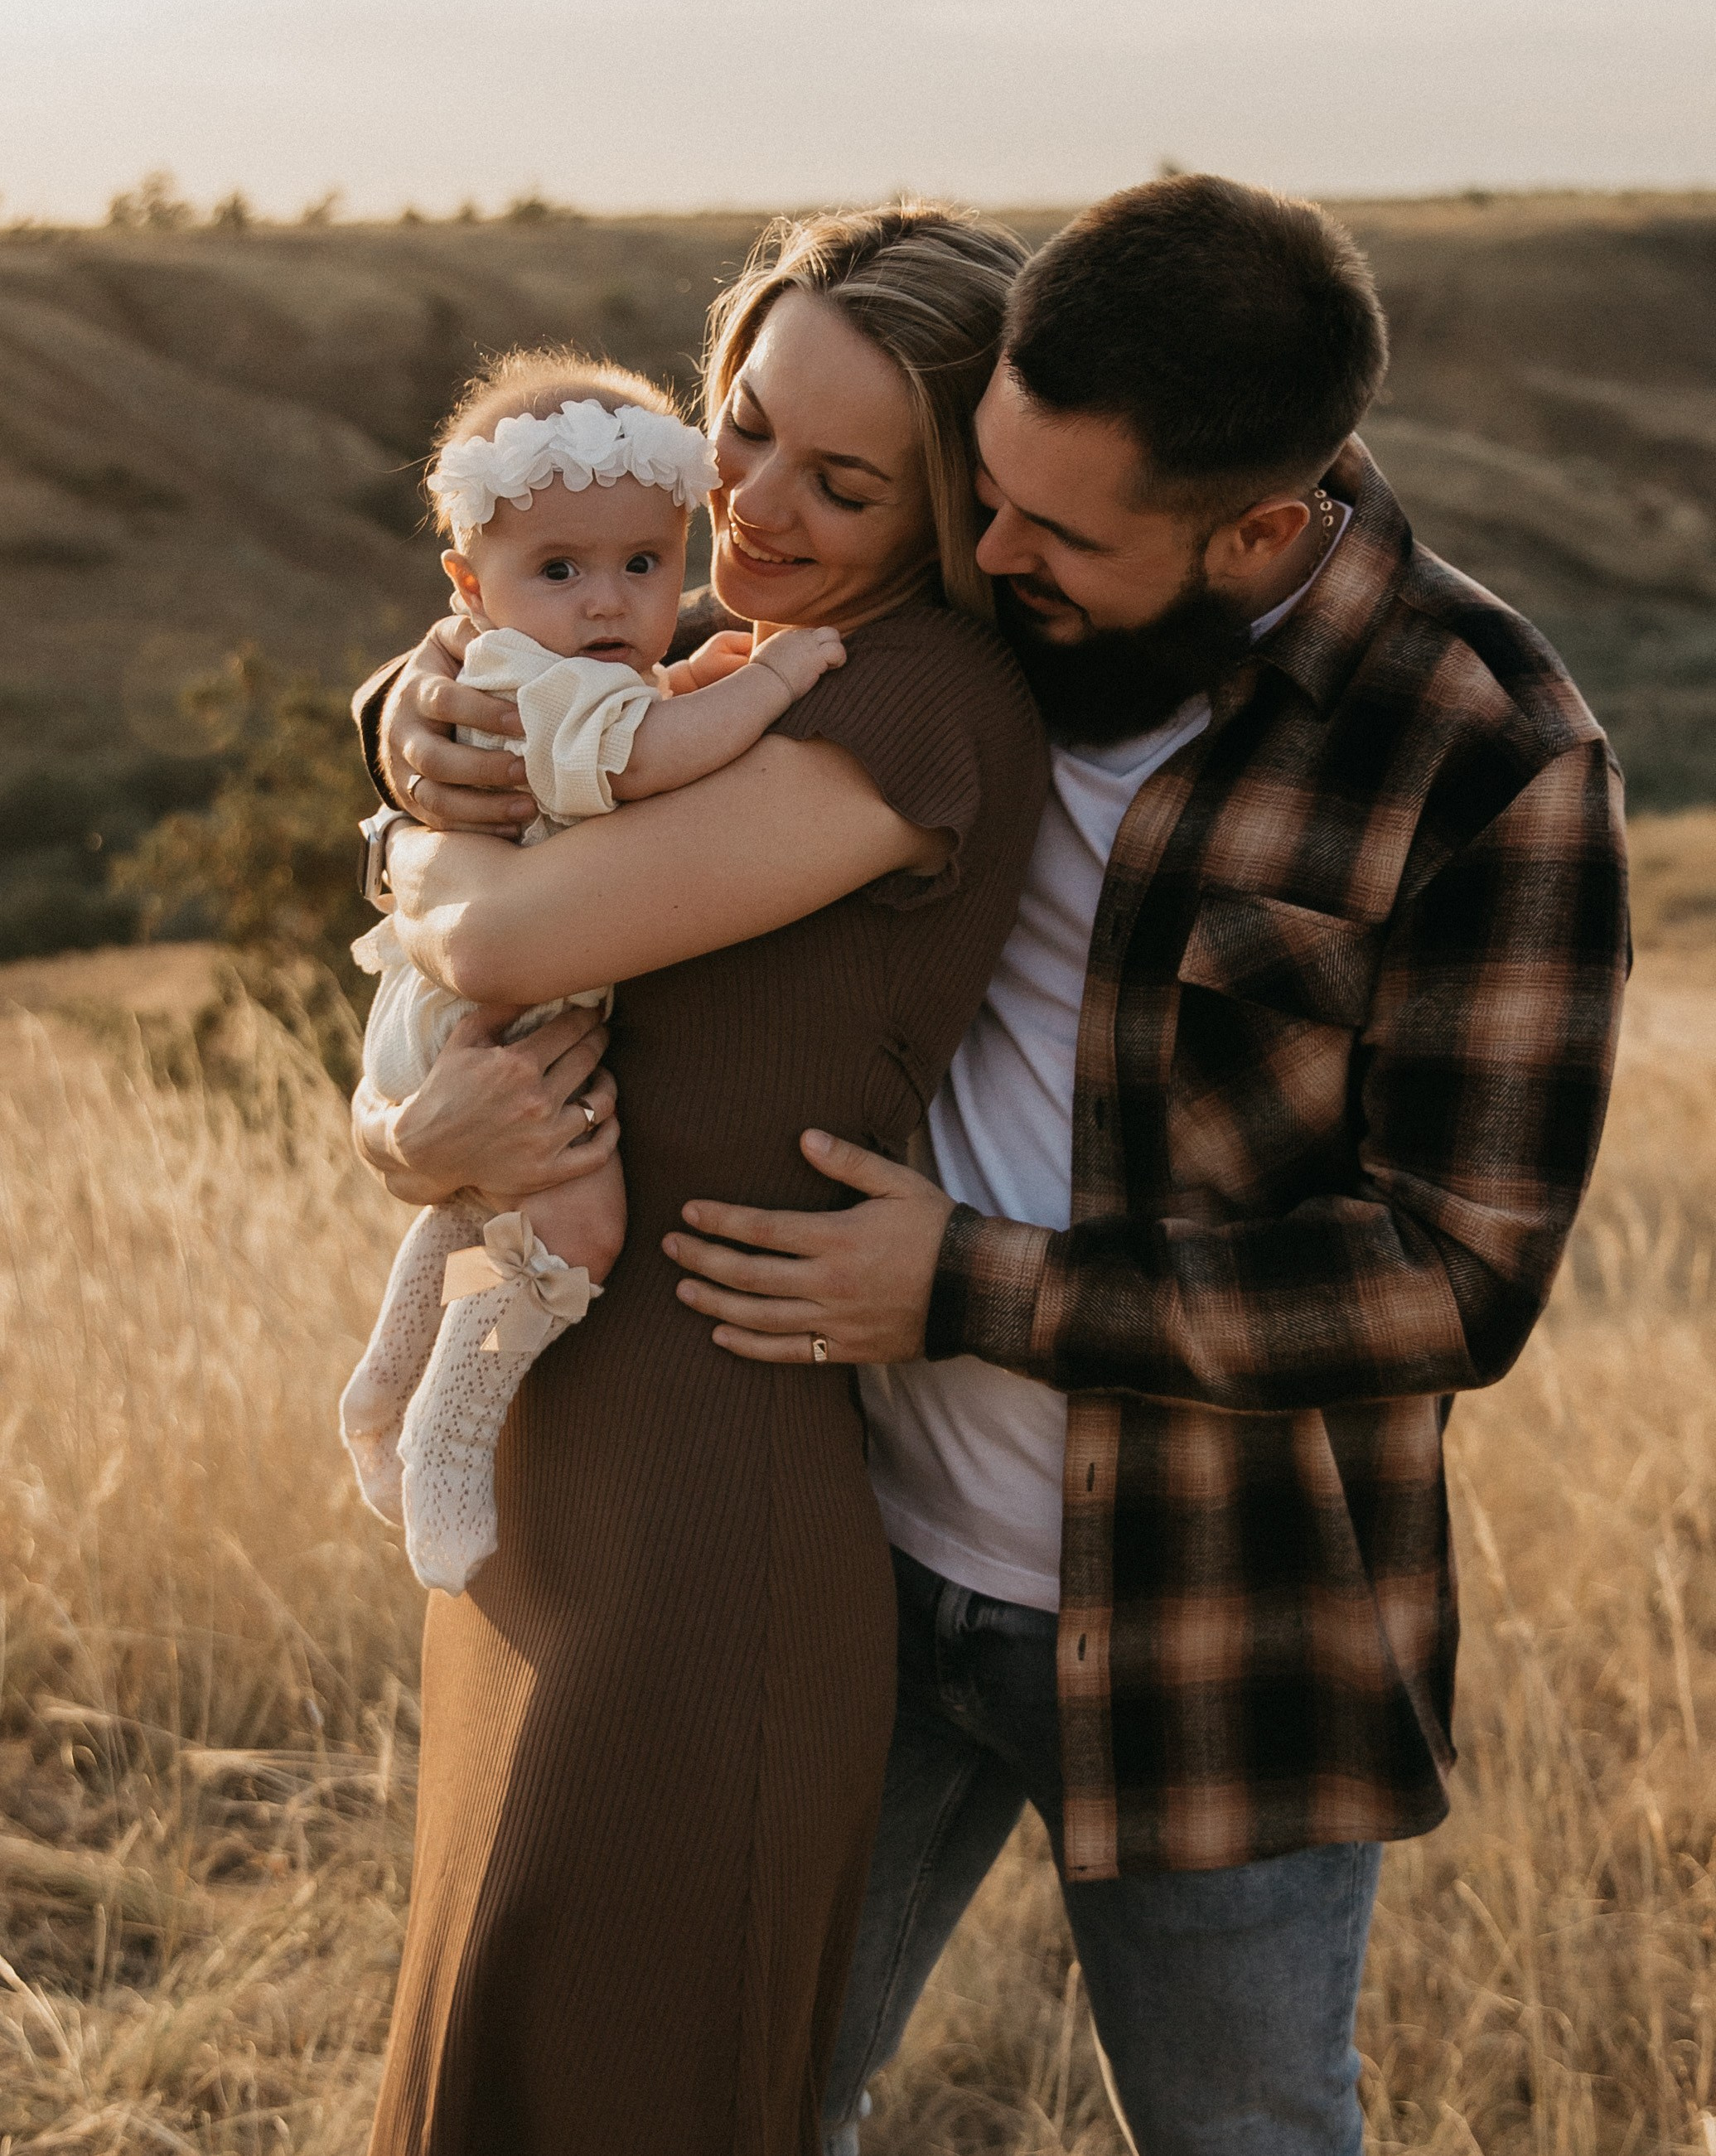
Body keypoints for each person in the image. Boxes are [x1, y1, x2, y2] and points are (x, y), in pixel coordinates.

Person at [662, 175, 1632, 2155]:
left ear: (1259, 528)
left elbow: (1454, 1278)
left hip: (1221, 1619)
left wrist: (969, 1282)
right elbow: (617, 667)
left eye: (1053, 529)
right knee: (729, 2090)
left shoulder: (1486, 756)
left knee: (1244, 2130)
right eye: (977, 488)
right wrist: (410, 722)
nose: (986, 547)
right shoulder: (981, 594)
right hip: (854, 1556)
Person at [347, 205, 1047, 2156]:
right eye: (742, 429)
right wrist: (408, 1137)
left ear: (956, 502)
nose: (758, 500)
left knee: (629, 2059)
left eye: (845, 478)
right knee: (490, 2015)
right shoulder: (695, 656)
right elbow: (466, 1012)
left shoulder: (917, 704)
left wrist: (409, 833)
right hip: (550, 1444)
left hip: (705, 1472)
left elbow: (487, 938)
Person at [340, 355, 843, 1594]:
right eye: (558, 570)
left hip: (456, 1024)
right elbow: (654, 754)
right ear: (470, 586)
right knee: (579, 1220)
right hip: (498, 1013)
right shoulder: (541, 687)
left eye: (641, 565)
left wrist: (703, 671)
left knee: (472, 1195)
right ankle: (451, 1433)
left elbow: (651, 709)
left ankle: (383, 1376)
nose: (610, 603)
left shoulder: (542, 667)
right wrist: (774, 672)